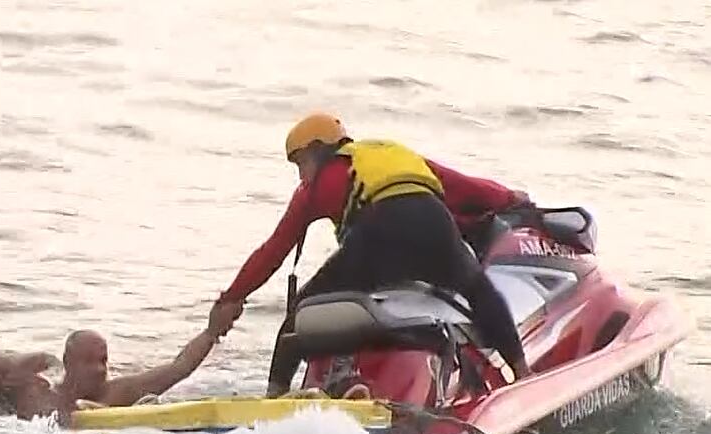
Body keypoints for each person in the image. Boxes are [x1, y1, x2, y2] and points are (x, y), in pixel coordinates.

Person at [215, 112, 533, 397]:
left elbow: (274, 250)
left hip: (382, 229)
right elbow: (463, 187)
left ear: (318, 150)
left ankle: (276, 396)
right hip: (435, 223)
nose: (301, 176)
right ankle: (522, 372)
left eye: (301, 164)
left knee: (306, 307)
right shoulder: (393, 154)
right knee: (478, 290)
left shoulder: (322, 182)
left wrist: (233, 296)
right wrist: (509, 197)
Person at [0, 300, 243, 425]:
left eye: (103, 361)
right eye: (89, 362)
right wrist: (32, 361)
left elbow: (178, 367)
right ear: (68, 363)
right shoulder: (38, 392)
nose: (99, 369)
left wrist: (211, 331)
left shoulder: (116, 393)